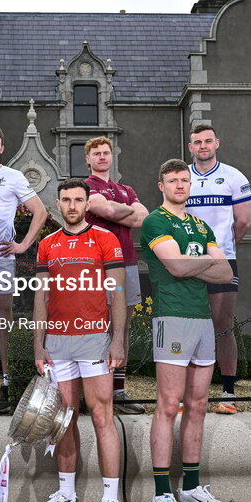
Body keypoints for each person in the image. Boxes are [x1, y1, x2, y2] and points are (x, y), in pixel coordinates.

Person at [140, 160, 236, 502]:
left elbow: (226, 272)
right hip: (173, 316)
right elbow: (176, 269)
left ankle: (191, 490)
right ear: (161, 184)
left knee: (198, 404)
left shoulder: (200, 224)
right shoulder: (156, 220)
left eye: (184, 180)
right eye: (173, 180)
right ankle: (161, 495)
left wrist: (188, 260)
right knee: (168, 405)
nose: (180, 185)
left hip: (201, 320)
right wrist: (202, 261)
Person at [31, 178, 126, 502]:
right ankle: (67, 496)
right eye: (66, 200)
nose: (72, 205)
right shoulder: (47, 245)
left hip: (94, 339)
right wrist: (38, 345)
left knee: (102, 417)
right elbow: (40, 297)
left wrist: (118, 340)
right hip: (57, 342)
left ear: (87, 203)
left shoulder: (106, 239)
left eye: (78, 200)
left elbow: (116, 292)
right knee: (64, 419)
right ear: (57, 204)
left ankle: (110, 501)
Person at [0, 125, 48, 410]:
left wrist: (24, 244)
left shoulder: (13, 177)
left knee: (3, 320)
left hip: (1, 257)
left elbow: (41, 211)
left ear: (2, 148)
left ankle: (8, 381)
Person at [185, 125, 251, 414]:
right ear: (191, 147)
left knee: (223, 325)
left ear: (217, 143)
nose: (203, 145)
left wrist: (220, 248)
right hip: (188, 261)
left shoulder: (234, 177)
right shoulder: (182, 177)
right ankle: (186, 395)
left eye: (207, 141)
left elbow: (244, 222)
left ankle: (228, 392)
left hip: (223, 259)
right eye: (197, 142)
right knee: (187, 325)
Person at [83, 136, 148, 414]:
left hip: (128, 263)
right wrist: (126, 212)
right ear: (88, 159)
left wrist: (122, 212)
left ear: (112, 156)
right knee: (97, 328)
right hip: (98, 265)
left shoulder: (126, 188)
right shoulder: (87, 187)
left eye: (105, 152)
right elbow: (105, 209)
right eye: (96, 153)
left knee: (121, 329)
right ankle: (95, 393)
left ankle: (118, 391)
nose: (101, 157)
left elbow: (143, 218)